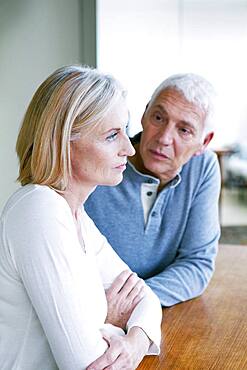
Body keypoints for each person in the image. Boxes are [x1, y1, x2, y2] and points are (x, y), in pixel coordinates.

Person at [0, 65, 161, 370]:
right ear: (64, 141)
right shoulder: (37, 211)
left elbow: (147, 299)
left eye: (125, 131)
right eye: (112, 135)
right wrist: (110, 317)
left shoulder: (75, 215)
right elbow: (86, 363)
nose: (128, 148)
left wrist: (134, 343)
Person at [85, 73, 221, 307]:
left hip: (146, 312)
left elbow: (196, 263)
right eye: (158, 117)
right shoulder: (101, 159)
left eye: (184, 130)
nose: (164, 138)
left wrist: (137, 303)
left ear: (204, 142)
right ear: (144, 114)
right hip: (91, 311)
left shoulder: (203, 167)